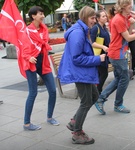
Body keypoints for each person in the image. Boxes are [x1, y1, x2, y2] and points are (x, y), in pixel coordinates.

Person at [58, 6, 106, 144]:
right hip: (79, 72)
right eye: (92, 18)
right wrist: (98, 59)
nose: (94, 21)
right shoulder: (78, 33)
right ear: (85, 17)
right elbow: (77, 58)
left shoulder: (82, 30)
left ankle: (74, 122)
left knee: (94, 96)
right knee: (86, 101)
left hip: (84, 71)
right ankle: (77, 132)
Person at [95, 0, 135, 115]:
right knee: (124, 78)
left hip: (119, 53)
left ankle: (101, 99)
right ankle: (117, 104)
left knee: (119, 79)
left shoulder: (123, 17)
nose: (132, 6)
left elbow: (127, 34)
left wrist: (132, 23)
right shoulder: (118, 19)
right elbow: (129, 38)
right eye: (129, 5)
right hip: (116, 54)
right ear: (124, 6)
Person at [23, 6, 59, 131]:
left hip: (43, 63)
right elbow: (23, 48)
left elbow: (48, 42)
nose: (43, 16)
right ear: (33, 16)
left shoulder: (44, 30)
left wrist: (66, 38)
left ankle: (50, 117)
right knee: (33, 93)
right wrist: (28, 57)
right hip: (31, 64)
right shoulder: (27, 31)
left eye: (43, 13)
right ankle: (26, 123)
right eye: (40, 13)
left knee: (53, 91)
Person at [90, 10, 110, 96]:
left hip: (105, 54)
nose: (105, 17)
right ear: (98, 19)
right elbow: (92, 42)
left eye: (106, 16)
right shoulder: (95, 28)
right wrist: (103, 47)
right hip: (99, 54)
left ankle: (96, 91)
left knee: (101, 73)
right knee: (104, 73)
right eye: (103, 16)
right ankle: (98, 91)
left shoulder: (104, 27)